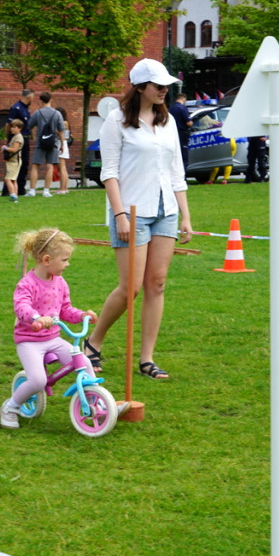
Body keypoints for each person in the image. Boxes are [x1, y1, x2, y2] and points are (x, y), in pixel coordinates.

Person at [85, 59, 193, 381]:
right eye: (158, 85)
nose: (164, 90)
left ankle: (147, 359)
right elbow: (110, 172)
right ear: (140, 87)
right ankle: (93, 343)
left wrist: (185, 215)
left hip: (166, 212)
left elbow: (176, 171)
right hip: (131, 212)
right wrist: (119, 214)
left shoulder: (168, 120)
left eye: (166, 86)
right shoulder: (116, 121)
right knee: (130, 287)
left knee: (156, 284)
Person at [0, 228, 98, 429]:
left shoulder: (60, 283)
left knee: (85, 364)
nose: (67, 264)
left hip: (53, 338)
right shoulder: (26, 284)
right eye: (64, 259)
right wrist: (36, 317)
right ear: (46, 260)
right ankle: (10, 407)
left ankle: (97, 403)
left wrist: (82, 316)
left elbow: (66, 310)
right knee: (37, 381)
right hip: (30, 341)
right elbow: (22, 307)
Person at [25, 91, 64, 197]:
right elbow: (61, 130)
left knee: (35, 165)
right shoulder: (57, 114)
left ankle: (32, 191)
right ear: (51, 100)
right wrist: (62, 144)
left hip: (40, 142)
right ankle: (46, 191)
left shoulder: (37, 113)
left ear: (40, 101)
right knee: (50, 166)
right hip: (53, 142)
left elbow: (29, 125)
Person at [5, 90, 33, 197]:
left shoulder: (26, 109)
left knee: (23, 164)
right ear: (29, 97)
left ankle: (20, 189)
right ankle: (9, 190)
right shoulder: (16, 108)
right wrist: (8, 139)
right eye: (32, 98)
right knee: (14, 164)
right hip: (17, 139)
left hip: (25, 138)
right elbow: (8, 124)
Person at [168, 93, 192, 168]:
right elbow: (189, 123)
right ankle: (183, 176)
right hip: (182, 134)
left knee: (174, 156)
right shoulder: (182, 108)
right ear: (184, 99)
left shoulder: (170, 109)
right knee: (183, 156)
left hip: (171, 134)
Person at [2, 120, 24, 203]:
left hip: (14, 161)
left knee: (8, 179)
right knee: (13, 180)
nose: (12, 129)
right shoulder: (15, 136)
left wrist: (5, 148)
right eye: (12, 127)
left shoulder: (18, 137)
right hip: (13, 161)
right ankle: (15, 195)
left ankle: (13, 195)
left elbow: (14, 149)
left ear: (19, 128)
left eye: (14, 127)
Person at [55, 107, 72, 194]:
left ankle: (63, 188)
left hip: (61, 143)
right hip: (63, 143)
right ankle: (64, 188)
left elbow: (63, 134)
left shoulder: (63, 123)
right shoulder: (66, 122)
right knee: (62, 167)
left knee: (62, 167)